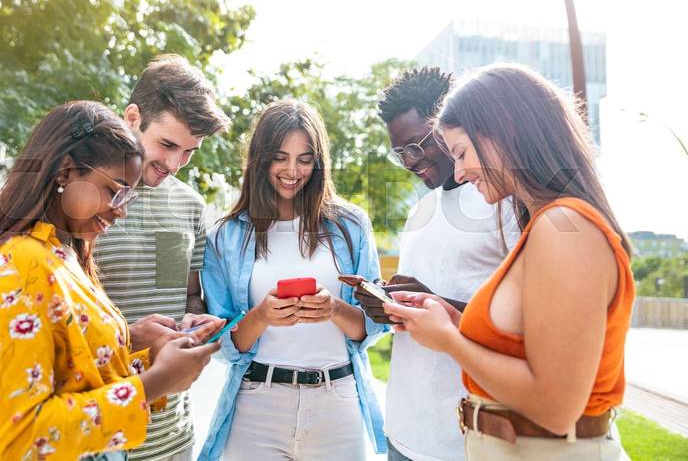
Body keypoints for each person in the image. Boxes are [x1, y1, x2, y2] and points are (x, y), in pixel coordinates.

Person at [0, 101, 222, 461]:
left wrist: (134, 344)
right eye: (115, 190)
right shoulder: (21, 267)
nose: (121, 209)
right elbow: (18, 439)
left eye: (128, 195)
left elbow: (71, 369)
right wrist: (157, 383)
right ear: (65, 171)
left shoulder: (65, 253)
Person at [384, 63, 635, 460]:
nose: (461, 172)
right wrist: (450, 318)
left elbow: (556, 407)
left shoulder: (564, 226)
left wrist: (449, 340)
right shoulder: (547, 224)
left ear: (504, 132)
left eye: (462, 152)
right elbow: (526, 342)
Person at [199, 99, 389, 461]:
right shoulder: (226, 235)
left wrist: (333, 308)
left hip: (337, 401)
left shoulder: (350, 225)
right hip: (257, 403)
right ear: (260, 159)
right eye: (280, 157)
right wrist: (261, 317)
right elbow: (222, 340)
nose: (292, 170)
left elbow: (374, 325)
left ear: (318, 163)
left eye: (304, 159)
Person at [349, 66, 518, 461]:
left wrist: (435, 304)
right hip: (404, 431)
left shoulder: (504, 204)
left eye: (418, 144)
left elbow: (522, 327)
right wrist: (389, 303)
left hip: (464, 441)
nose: (410, 161)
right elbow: (419, 313)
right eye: (400, 152)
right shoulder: (421, 210)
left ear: (449, 125)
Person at [94, 54, 231, 461]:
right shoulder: (85, 196)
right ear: (133, 117)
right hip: (99, 436)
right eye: (167, 144)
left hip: (172, 439)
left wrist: (196, 318)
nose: (174, 164)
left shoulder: (189, 204)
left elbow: (184, 294)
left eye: (189, 151)